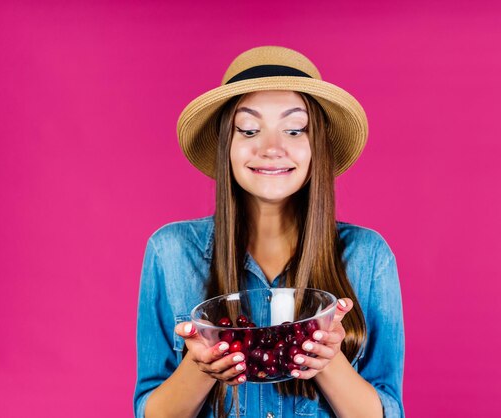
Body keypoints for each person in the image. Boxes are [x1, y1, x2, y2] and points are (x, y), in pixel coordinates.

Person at [133, 46, 405, 418]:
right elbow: (150, 410)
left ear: (317, 146)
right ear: (227, 143)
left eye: (294, 129)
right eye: (249, 129)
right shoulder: (171, 251)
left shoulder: (368, 256)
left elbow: (387, 411)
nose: (272, 149)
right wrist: (200, 367)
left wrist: (327, 359)